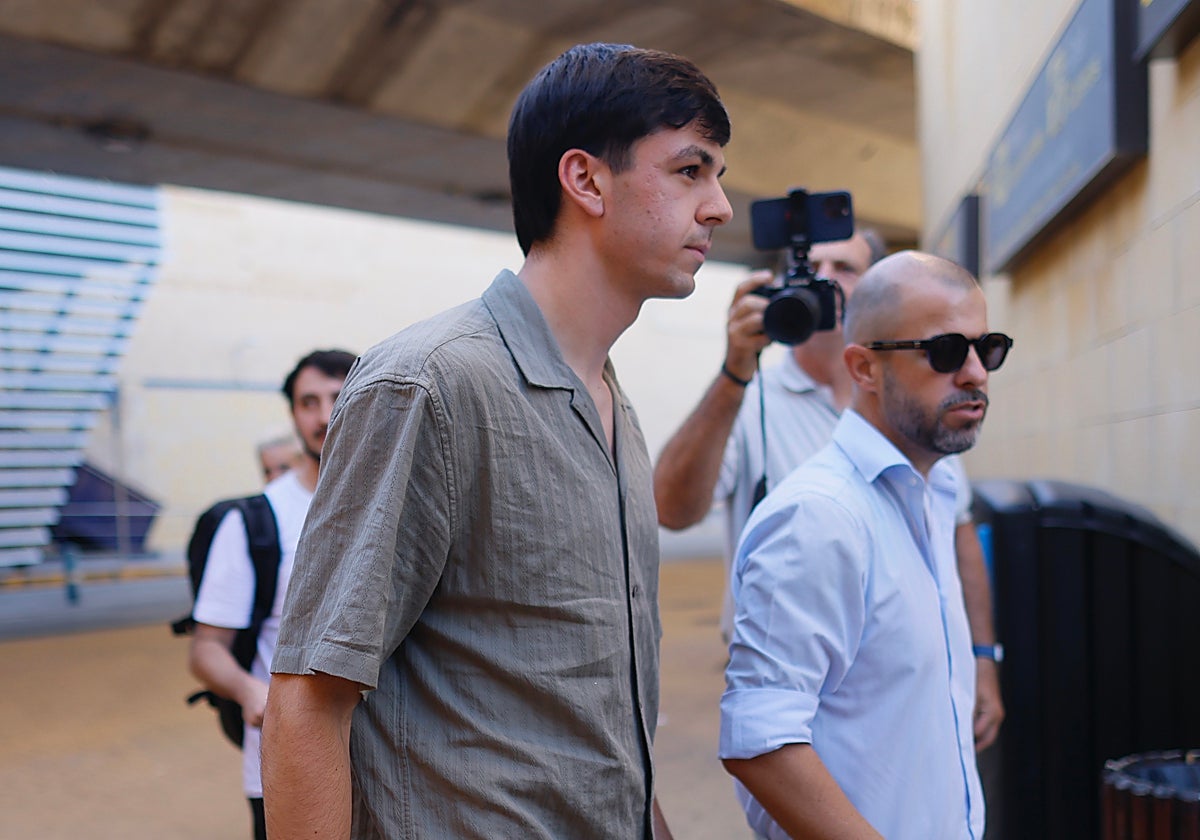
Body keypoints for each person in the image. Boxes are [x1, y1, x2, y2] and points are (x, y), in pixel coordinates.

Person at [261, 42, 732, 840]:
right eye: (691, 170)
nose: (719, 205)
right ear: (585, 179)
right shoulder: (427, 385)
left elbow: (592, 705)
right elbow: (307, 701)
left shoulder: (614, 404)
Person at [652, 229, 1005, 750]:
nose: (823, 279)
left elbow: (959, 535)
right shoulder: (751, 401)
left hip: (920, 679)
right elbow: (672, 508)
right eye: (807, 266)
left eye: (844, 267)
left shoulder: (925, 401)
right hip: (804, 685)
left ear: (878, 290)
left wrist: (983, 657)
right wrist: (734, 373)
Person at [719, 251, 1012, 838]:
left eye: (989, 348)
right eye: (947, 351)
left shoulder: (934, 485)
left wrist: (985, 661)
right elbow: (760, 740)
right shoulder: (820, 517)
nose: (976, 372)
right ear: (864, 368)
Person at [188, 348, 356, 840]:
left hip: (394, 763)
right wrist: (248, 690)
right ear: (293, 414)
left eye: (338, 397)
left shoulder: (408, 503)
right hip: (286, 769)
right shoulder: (253, 521)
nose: (324, 415)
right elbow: (206, 649)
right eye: (309, 402)